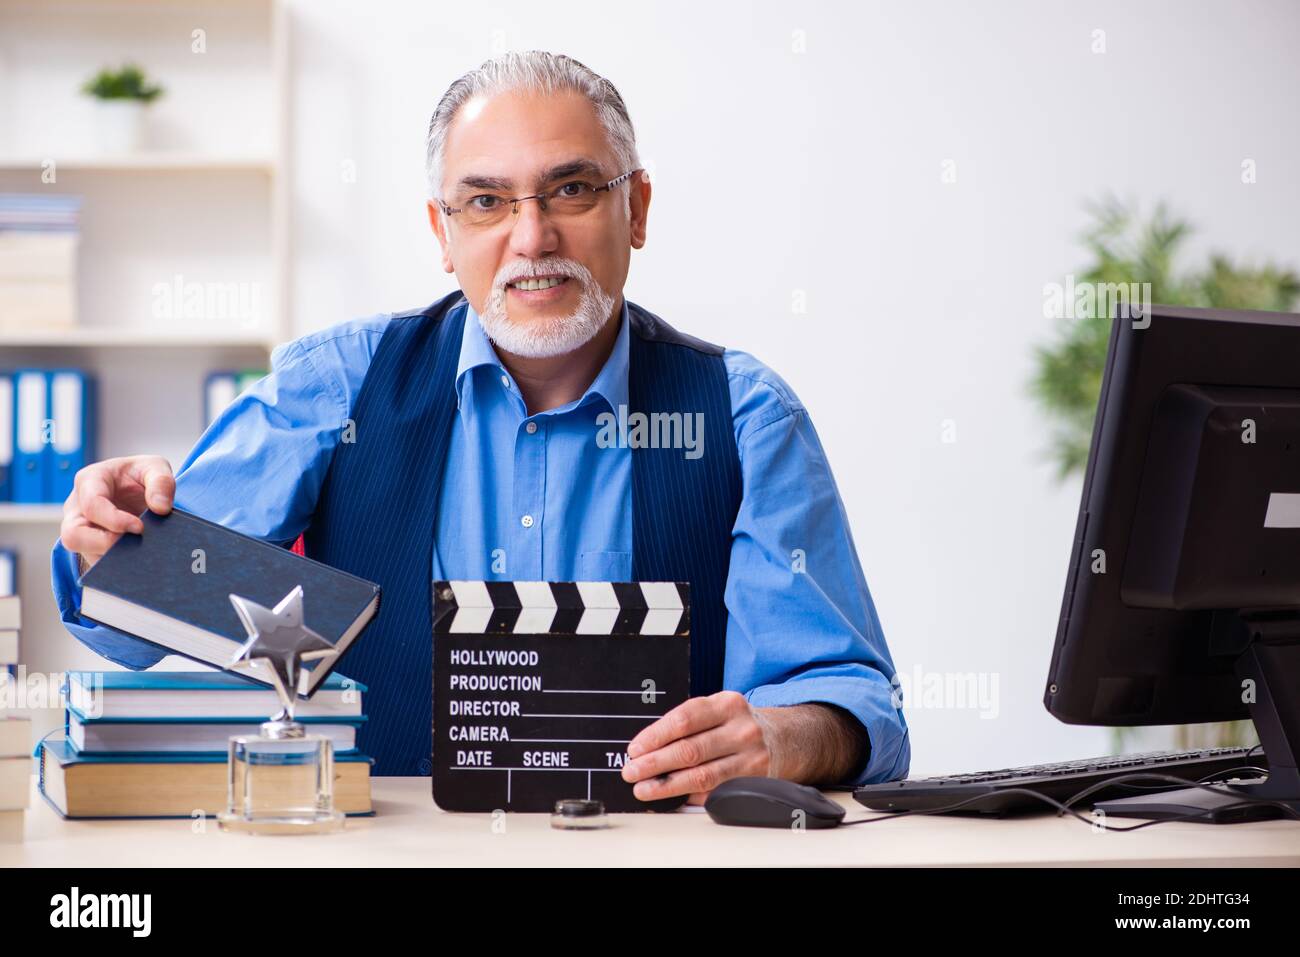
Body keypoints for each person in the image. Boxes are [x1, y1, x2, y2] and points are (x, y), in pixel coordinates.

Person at [53, 50, 909, 804]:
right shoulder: (336, 385)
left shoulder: (746, 415)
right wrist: (107, 544)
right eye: (487, 200)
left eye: (571, 188)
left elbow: (856, 703)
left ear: (637, 209)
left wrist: (788, 735)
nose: (531, 237)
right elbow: (136, 615)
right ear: (443, 231)